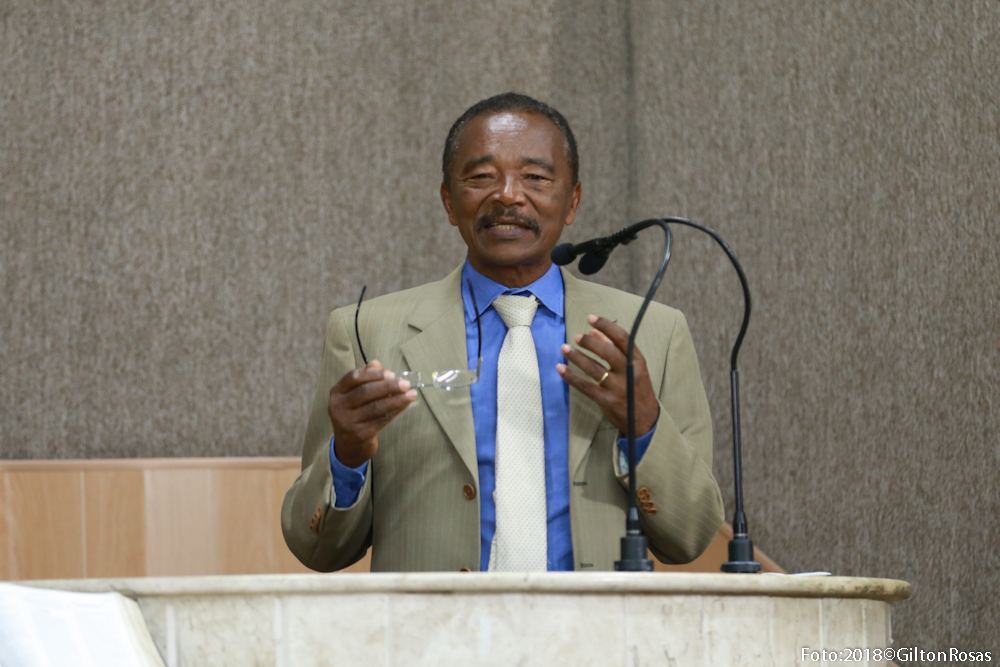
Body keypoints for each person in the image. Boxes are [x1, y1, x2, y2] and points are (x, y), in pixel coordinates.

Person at [281, 93, 724, 572]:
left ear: (572, 201)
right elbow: (317, 549)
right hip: (435, 620)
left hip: (594, 619)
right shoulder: (365, 332)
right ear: (449, 202)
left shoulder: (654, 332)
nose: (508, 195)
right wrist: (347, 455)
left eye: (535, 177)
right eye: (482, 177)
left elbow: (690, 536)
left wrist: (643, 426)